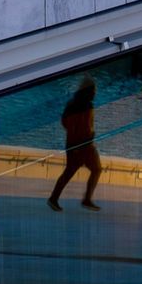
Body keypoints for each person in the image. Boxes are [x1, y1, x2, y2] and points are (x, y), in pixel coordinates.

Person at [47, 77, 102, 211]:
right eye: (93, 91)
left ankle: (56, 198)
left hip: (84, 144)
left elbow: (66, 122)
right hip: (80, 145)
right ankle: (82, 199)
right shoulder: (79, 106)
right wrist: (76, 144)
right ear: (87, 91)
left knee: (87, 170)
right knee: (80, 171)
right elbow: (71, 125)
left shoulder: (79, 104)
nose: (95, 94)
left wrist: (88, 134)